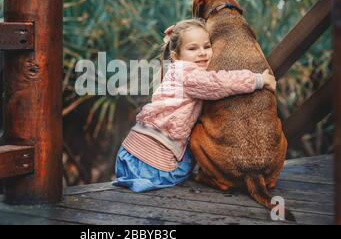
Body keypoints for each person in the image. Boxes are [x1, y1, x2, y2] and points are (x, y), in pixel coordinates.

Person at [112, 18, 277, 192]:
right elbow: (220, 83)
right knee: (191, 160)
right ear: (176, 56)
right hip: (154, 163)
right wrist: (258, 79)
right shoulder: (189, 74)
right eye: (193, 48)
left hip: (129, 154)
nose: (202, 53)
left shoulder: (173, 72)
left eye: (207, 46)